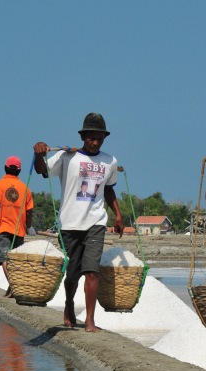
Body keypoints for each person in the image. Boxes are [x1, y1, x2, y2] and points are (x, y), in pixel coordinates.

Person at [33, 112, 125, 332]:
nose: (94, 143)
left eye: (99, 139)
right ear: (83, 137)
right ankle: (69, 304)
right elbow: (41, 170)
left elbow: (109, 190)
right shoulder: (67, 157)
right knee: (72, 274)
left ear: (104, 139)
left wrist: (118, 215)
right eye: (91, 138)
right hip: (70, 224)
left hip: (96, 222)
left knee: (92, 271)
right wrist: (38, 153)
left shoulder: (110, 161)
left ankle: (90, 320)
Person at [0, 155, 34, 295]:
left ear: (5, 168)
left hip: (3, 228)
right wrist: (29, 226)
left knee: (5, 259)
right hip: (19, 229)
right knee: (15, 260)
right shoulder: (25, 189)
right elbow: (29, 212)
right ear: (19, 171)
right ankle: (13, 288)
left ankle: (15, 288)